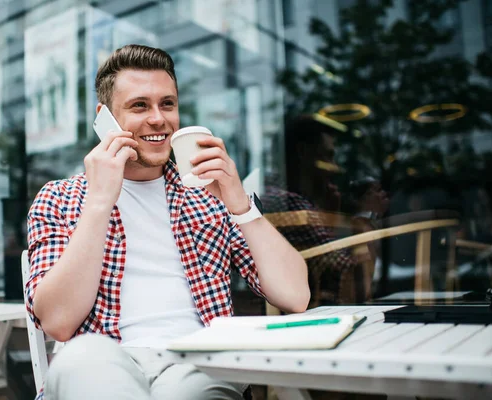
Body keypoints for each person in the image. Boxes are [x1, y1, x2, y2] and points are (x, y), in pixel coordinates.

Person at [25, 44, 310, 400]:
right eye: (139, 105)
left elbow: (296, 296)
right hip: (101, 361)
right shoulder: (60, 197)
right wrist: (99, 203)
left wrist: (240, 203)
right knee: (83, 356)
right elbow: (58, 322)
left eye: (168, 104)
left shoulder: (211, 195)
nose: (159, 119)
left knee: (196, 384)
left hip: (196, 362)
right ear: (105, 117)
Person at [262, 114, 388, 308]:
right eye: (328, 156)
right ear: (304, 152)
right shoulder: (291, 204)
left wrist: (327, 215)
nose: (335, 167)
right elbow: (354, 286)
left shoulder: (275, 197)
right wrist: (367, 216)